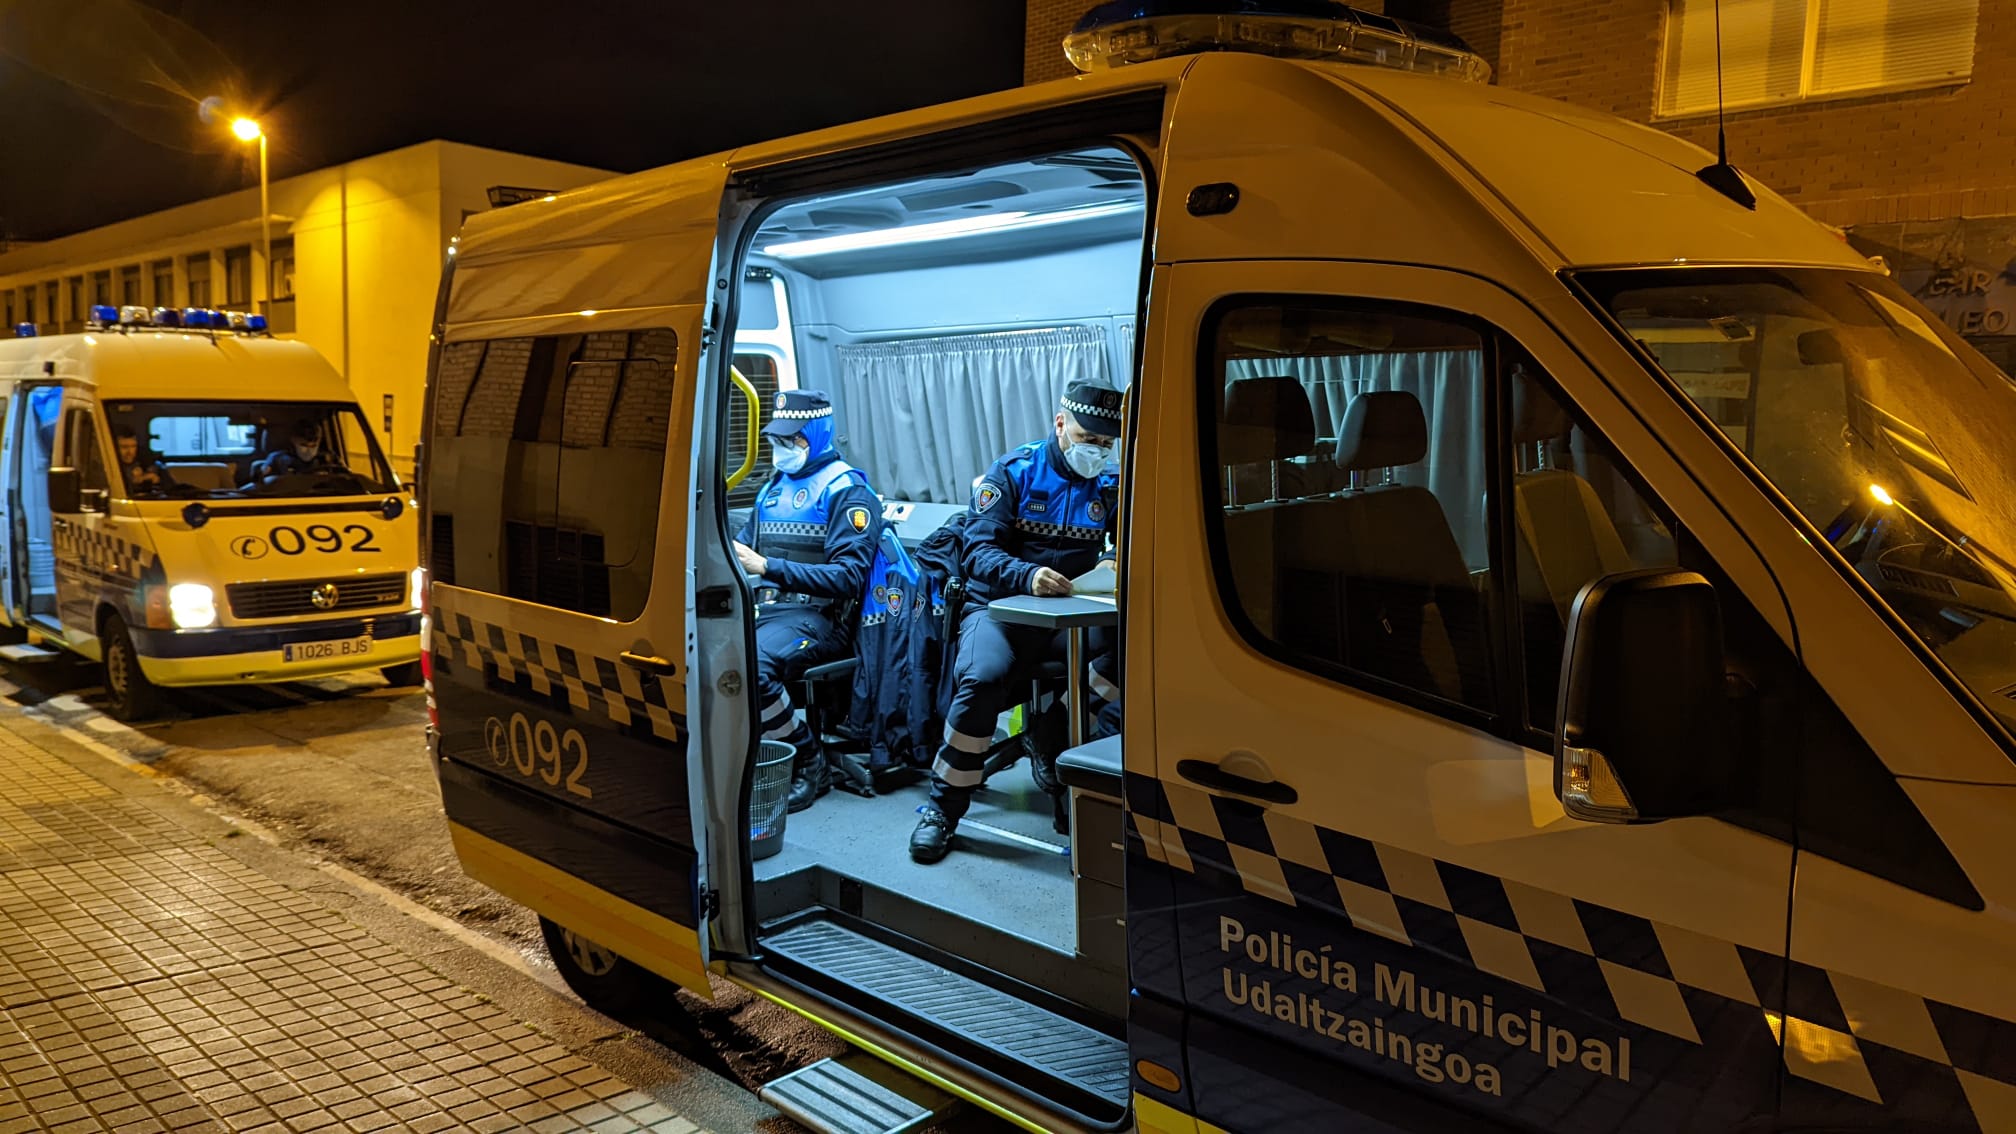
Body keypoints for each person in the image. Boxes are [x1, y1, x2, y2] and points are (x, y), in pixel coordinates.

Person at [910, 380, 1123, 864]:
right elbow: (977, 550)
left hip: (1068, 618)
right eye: (1089, 439)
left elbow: (1123, 544)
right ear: (1061, 424)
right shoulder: (1014, 472)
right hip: (999, 610)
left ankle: (1051, 733)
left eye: (1106, 444)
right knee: (982, 679)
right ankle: (943, 809)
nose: (1097, 450)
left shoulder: (1108, 486)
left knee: (1129, 659)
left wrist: (1114, 562)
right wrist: (1026, 574)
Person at [734, 389, 881, 813]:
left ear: (815, 435)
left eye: (792, 439)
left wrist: (769, 567)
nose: (782, 448)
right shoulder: (771, 489)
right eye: (777, 439)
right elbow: (743, 551)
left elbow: (849, 578)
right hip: (768, 609)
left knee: (752, 665)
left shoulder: (847, 492)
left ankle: (807, 762)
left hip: (820, 616)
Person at [251, 418, 334, 481]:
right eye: (303, 445)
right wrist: (262, 472)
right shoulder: (277, 458)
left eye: (313, 446)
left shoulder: (326, 459)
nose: (309, 451)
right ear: (293, 440)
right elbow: (260, 479)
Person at [112, 425, 165, 493]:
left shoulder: (145, 462)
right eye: (124, 447)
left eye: (133, 446)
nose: (130, 452)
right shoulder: (108, 468)